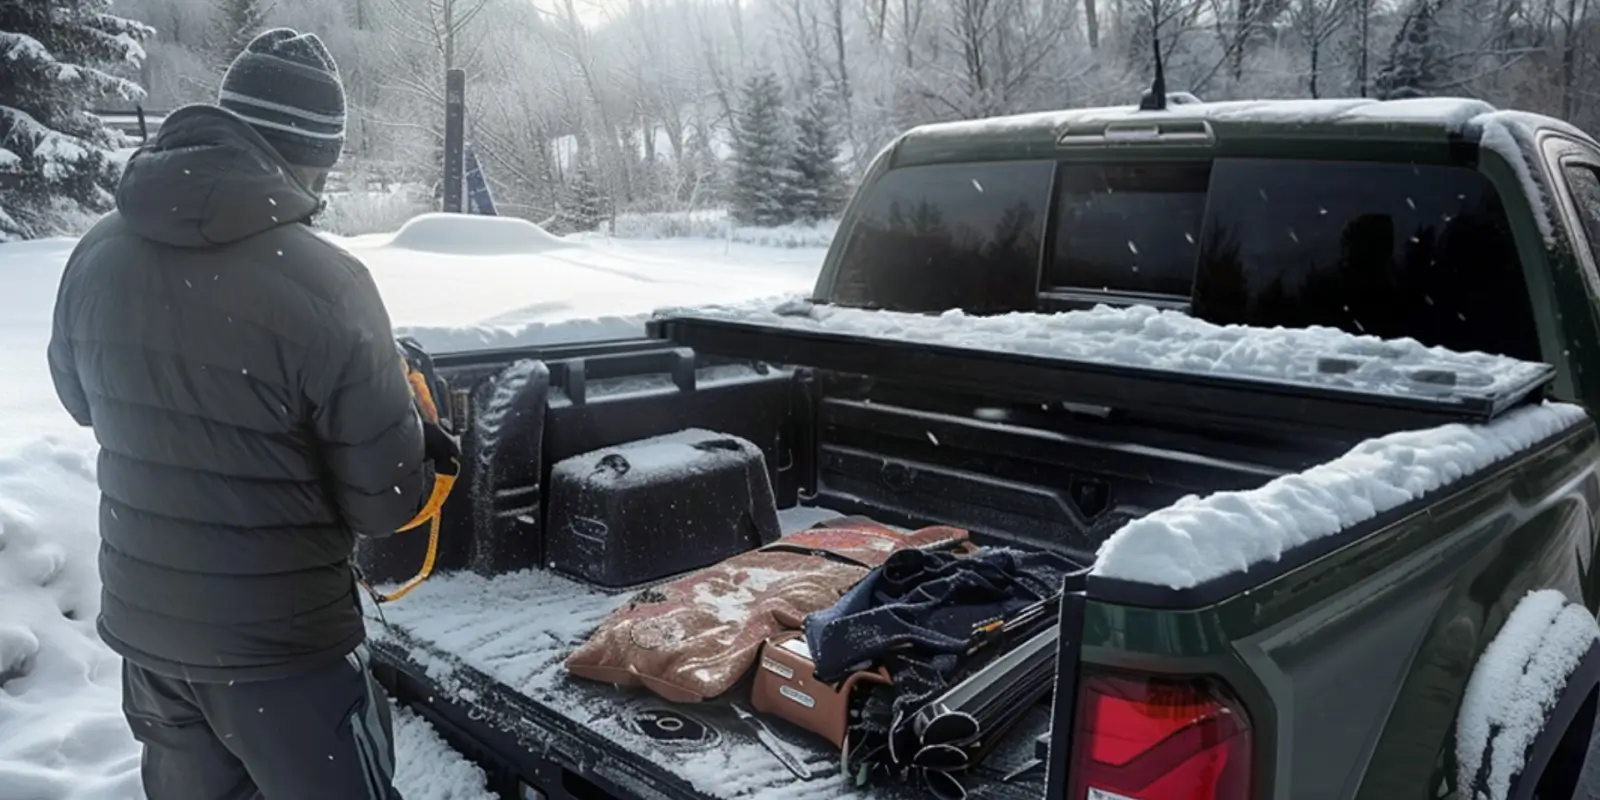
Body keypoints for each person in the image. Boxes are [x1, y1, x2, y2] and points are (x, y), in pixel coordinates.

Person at [46, 27, 456, 800]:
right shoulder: (328, 283)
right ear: (310, 157)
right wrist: (421, 435)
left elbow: (78, 399)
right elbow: (387, 502)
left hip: (151, 640)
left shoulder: (97, 250)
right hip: (286, 655)